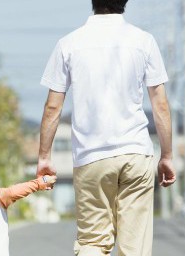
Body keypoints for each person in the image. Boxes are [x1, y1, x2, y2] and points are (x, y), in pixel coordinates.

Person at [37, 1, 176, 255]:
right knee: (134, 248)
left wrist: (44, 156)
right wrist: (166, 156)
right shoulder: (144, 41)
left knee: (92, 242)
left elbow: (52, 108)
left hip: (91, 158)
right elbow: (161, 105)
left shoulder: (68, 44)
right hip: (136, 154)